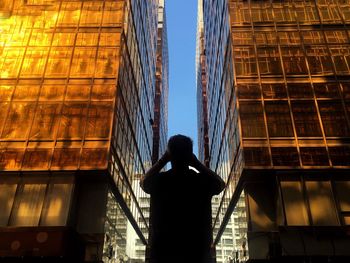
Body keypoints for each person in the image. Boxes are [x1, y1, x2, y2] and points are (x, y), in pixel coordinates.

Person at [141, 134, 226, 263]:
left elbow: (144, 182)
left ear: (169, 155)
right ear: (190, 155)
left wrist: (163, 160)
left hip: (163, 251)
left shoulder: (160, 181)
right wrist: (197, 164)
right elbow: (220, 184)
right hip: (197, 251)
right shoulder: (201, 181)